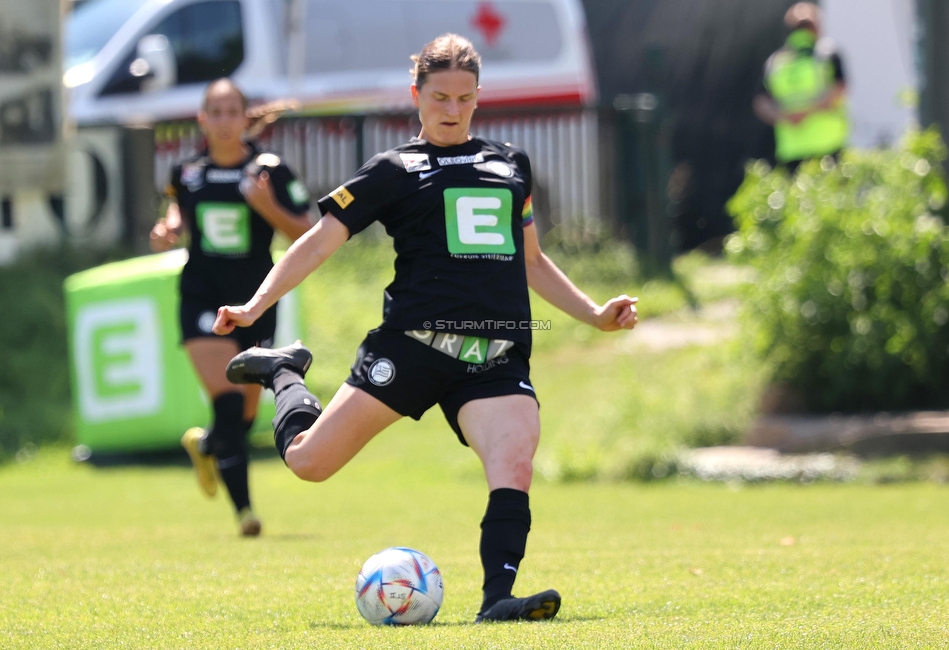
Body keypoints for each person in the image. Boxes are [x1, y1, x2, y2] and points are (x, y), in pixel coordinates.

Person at [212, 34, 638, 621]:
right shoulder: (393, 170)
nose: (452, 109)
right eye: (440, 96)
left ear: (477, 98)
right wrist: (257, 305)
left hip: (494, 354)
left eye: (465, 98)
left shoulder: (511, 165)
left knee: (514, 459)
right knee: (309, 463)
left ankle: (497, 599)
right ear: (417, 94)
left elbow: (533, 262)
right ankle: (285, 372)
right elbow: (316, 243)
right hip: (412, 349)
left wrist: (594, 314)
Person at [150, 78, 314, 537]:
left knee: (241, 418)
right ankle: (245, 512)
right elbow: (177, 216)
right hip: (202, 297)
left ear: (246, 118)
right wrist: (167, 230)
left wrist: (266, 206)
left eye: (231, 111)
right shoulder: (186, 172)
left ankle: (205, 447)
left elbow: (307, 231)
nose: (223, 121)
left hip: (256, 301)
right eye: (214, 112)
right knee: (226, 403)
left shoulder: (270, 171)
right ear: (203, 119)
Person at [753, 2, 849, 172]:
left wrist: (786, 117)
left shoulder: (776, 62)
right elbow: (840, 89)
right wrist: (809, 111)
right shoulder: (827, 54)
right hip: (828, 144)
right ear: (816, 27)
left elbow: (761, 103)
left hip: (792, 150)